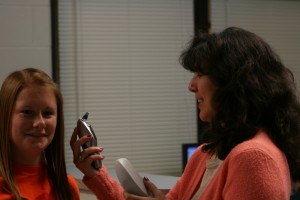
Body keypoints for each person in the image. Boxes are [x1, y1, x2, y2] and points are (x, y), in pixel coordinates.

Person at [70, 27, 300, 200]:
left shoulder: (254, 158)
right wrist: (94, 174)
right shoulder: (206, 154)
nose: (191, 86)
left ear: (233, 82)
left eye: (200, 74)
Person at [0, 68, 80, 200]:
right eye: (27, 112)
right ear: (5, 117)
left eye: (47, 113)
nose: (40, 123)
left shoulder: (67, 187)